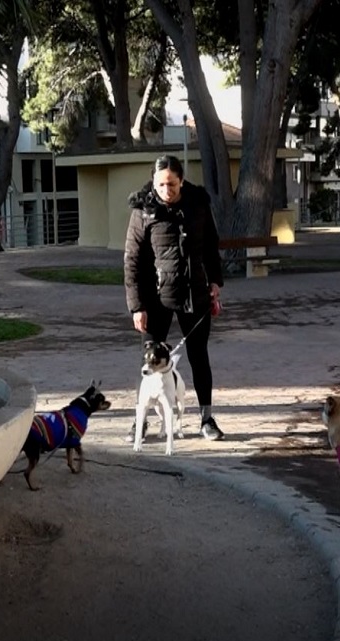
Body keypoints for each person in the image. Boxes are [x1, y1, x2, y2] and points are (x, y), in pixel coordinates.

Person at [123, 155, 226, 441]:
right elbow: (131, 260)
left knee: (199, 357)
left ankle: (207, 419)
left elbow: (210, 245)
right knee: (148, 362)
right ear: (153, 182)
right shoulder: (143, 210)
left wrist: (215, 281)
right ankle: (141, 421)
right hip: (155, 298)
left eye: (171, 184)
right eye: (160, 184)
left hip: (194, 294)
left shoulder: (198, 204)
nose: (166, 190)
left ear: (181, 180)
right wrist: (136, 306)